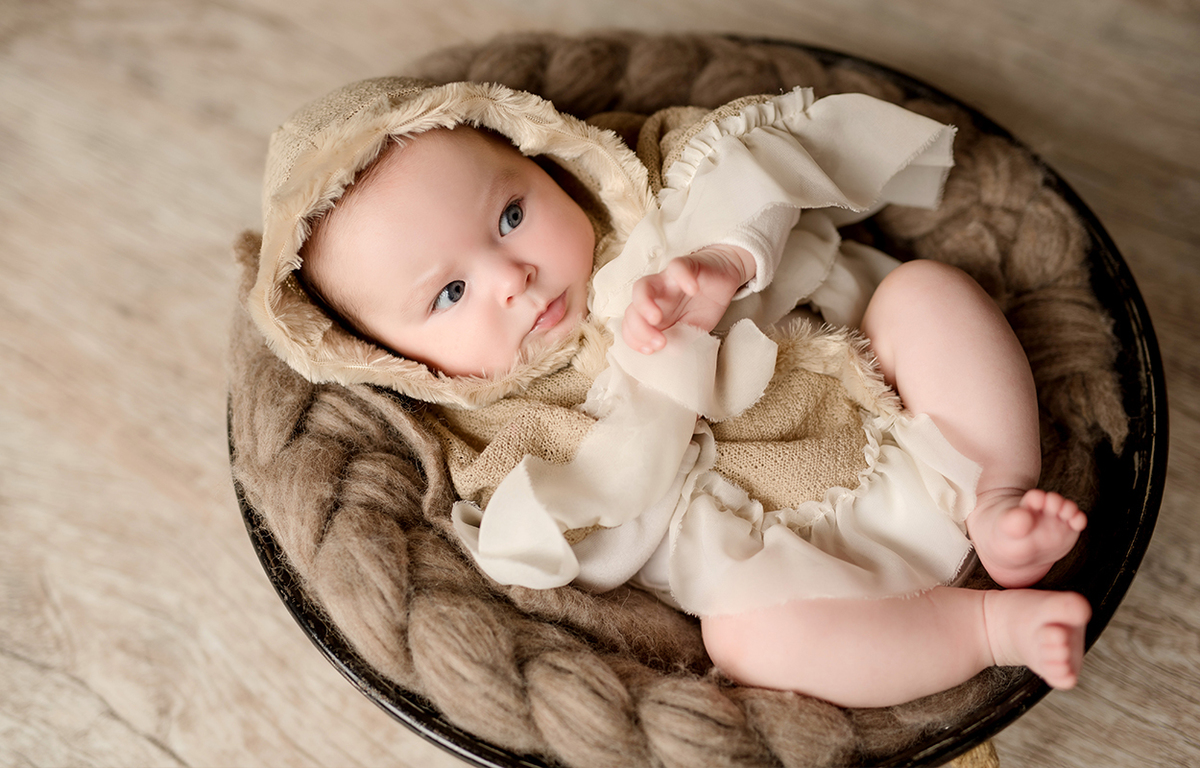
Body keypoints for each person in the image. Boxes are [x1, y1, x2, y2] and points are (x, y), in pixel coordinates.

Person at [250, 77, 1091, 708]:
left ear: (544, 159)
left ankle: (1001, 502)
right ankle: (980, 631)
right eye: (449, 295)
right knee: (747, 637)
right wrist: (649, 402)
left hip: (895, 406)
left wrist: (723, 260)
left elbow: (756, 168)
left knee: (928, 295)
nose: (513, 277)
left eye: (510, 215)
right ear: (393, 358)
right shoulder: (490, 427)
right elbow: (585, 541)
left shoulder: (642, 195)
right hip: (785, 562)